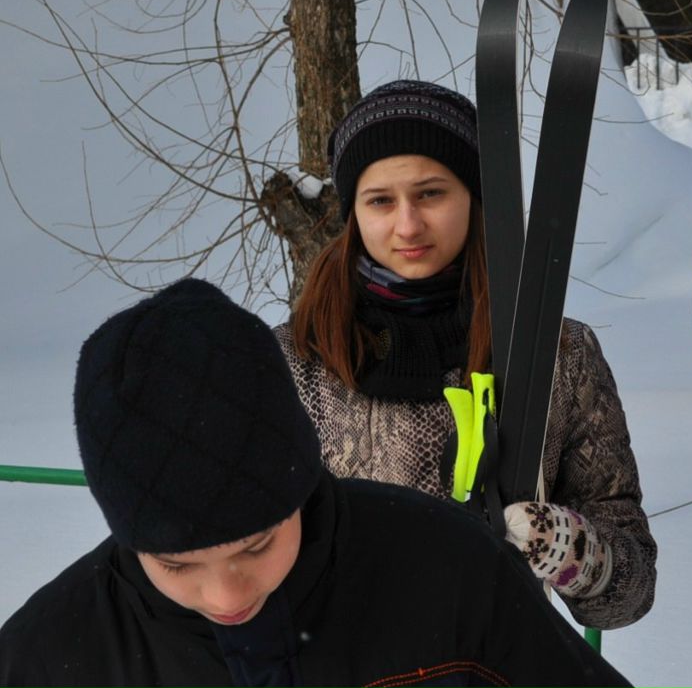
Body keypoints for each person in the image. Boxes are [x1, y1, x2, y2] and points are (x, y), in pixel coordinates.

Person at [0, 279, 633, 687]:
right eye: (176, 564)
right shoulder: (49, 658)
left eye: (255, 545)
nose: (225, 595)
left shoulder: (449, 570)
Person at [276, 80, 656, 629]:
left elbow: (629, 594)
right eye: (380, 200)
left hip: (499, 658)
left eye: (431, 193)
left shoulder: (556, 355)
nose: (408, 224)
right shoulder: (291, 362)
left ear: (475, 198)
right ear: (353, 212)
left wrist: (573, 551)